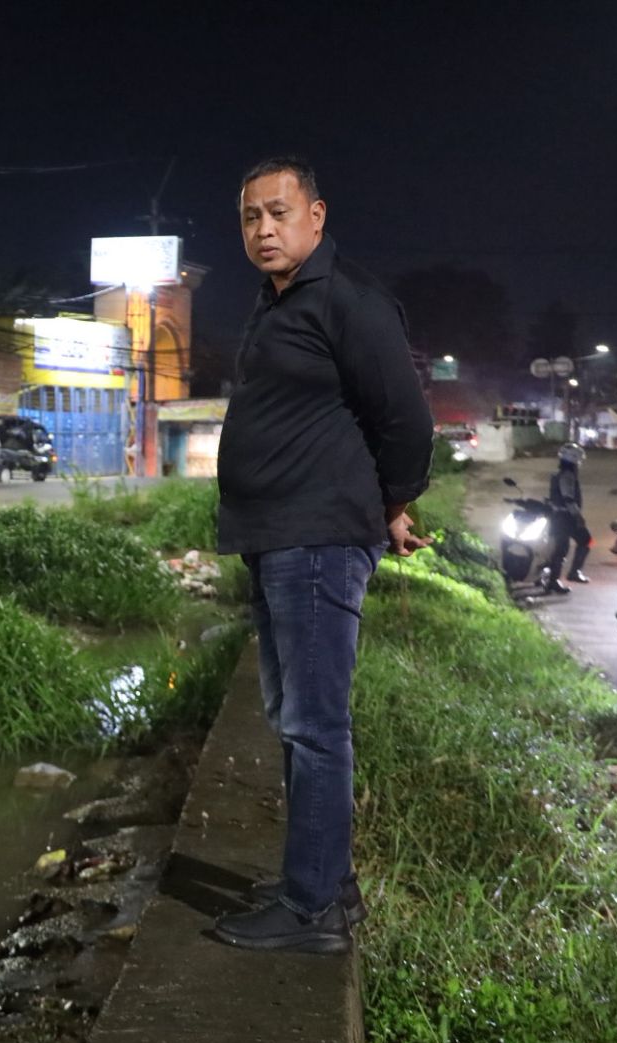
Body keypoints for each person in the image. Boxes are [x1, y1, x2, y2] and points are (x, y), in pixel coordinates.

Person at [211, 157, 434, 954]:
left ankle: (312, 910)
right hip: (277, 537)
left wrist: (394, 503)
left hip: (314, 540)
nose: (263, 229)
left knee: (314, 724)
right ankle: (323, 881)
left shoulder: (347, 300)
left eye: (278, 213)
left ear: (316, 216)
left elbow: (405, 418)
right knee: (293, 717)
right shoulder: (278, 305)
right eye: (249, 218)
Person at [543, 442, 590, 590]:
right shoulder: (568, 476)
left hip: (558, 516)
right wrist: (577, 516)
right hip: (566, 517)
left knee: (559, 548)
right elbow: (568, 498)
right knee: (582, 542)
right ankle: (561, 578)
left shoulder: (558, 475)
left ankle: (555, 578)